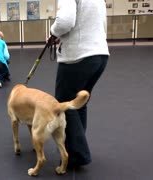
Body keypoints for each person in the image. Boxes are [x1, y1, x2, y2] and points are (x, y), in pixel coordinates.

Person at [50, 0, 109, 168]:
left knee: (65, 104)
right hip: (100, 55)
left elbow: (65, 22)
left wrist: (53, 31)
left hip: (78, 56)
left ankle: (76, 154)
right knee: (79, 104)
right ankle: (76, 147)